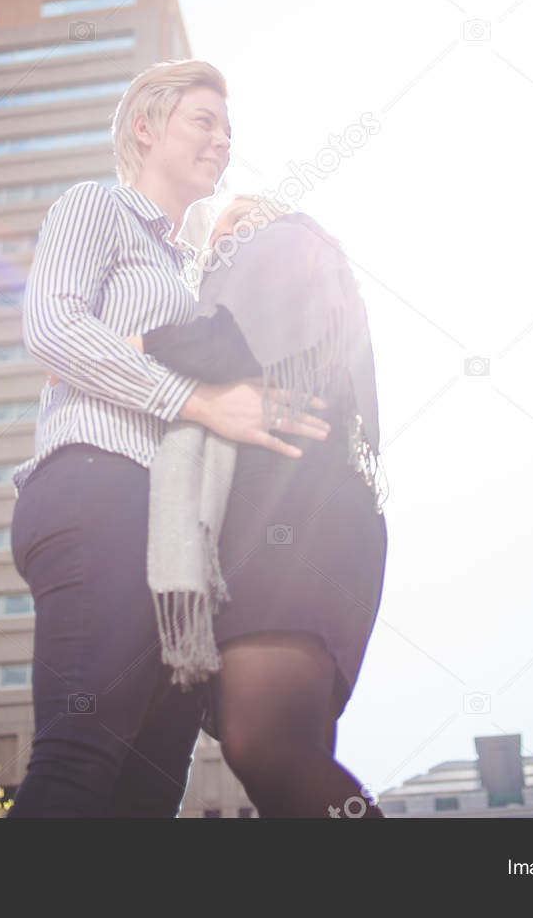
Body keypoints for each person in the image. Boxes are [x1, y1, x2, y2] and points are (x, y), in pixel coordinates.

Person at [5, 64, 332, 818]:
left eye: (228, 130)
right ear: (146, 128)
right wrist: (197, 400)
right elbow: (53, 327)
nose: (222, 141)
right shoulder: (97, 207)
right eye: (203, 121)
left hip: (178, 539)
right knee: (80, 757)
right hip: (99, 484)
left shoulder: (197, 277)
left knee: (147, 795)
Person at [137, 194, 389, 818]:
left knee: (265, 746)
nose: (226, 240)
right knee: (285, 775)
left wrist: (128, 344)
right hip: (298, 518)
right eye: (218, 236)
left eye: (241, 221)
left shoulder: (286, 241)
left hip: (296, 518)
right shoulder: (287, 277)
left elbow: (225, 343)